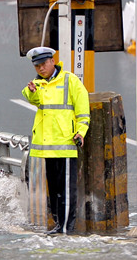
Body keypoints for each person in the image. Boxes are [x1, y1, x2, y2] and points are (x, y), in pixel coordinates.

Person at [22, 46, 90, 235]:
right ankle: (59, 225)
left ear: (53, 61)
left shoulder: (70, 80)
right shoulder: (38, 84)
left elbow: (83, 111)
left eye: (44, 64)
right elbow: (33, 99)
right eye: (37, 66)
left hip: (66, 143)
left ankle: (66, 228)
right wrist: (32, 91)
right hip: (46, 146)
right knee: (54, 191)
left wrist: (81, 132)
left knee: (66, 190)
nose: (41, 68)